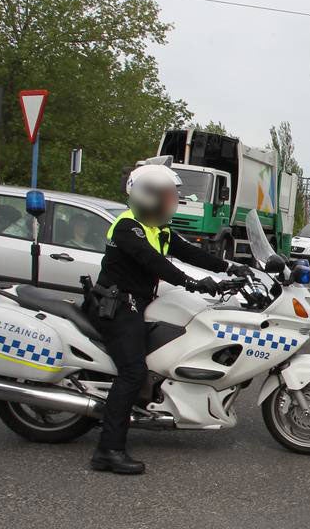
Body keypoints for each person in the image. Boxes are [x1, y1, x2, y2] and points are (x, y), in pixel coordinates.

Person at [89, 162, 253, 475]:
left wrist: (230, 268)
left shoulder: (158, 229)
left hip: (138, 301)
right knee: (132, 371)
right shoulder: (128, 227)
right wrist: (192, 282)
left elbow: (192, 253)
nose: (170, 203)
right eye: (165, 197)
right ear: (146, 196)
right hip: (118, 305)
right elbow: (152, 262)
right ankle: (107, 451)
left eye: (171, 197)